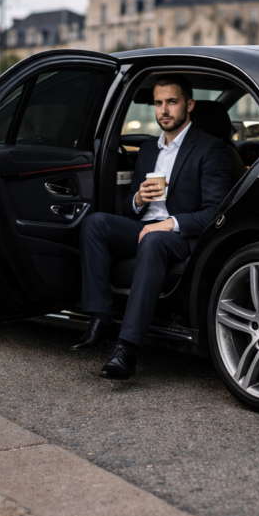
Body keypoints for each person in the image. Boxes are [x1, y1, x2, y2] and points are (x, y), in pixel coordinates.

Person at [71, 74, 231, 379]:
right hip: (144, 227)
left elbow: (215, 213)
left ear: (189, 104)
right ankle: (101, 317)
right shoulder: (147, 149)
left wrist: (170, 223)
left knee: (153, 241)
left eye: (172, 102)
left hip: (180, 235)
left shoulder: (210, 149)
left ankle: (126, 350)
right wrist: (138, 200)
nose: (164, 110)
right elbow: (130, 202)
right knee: (95, 223)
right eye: (158, 103)